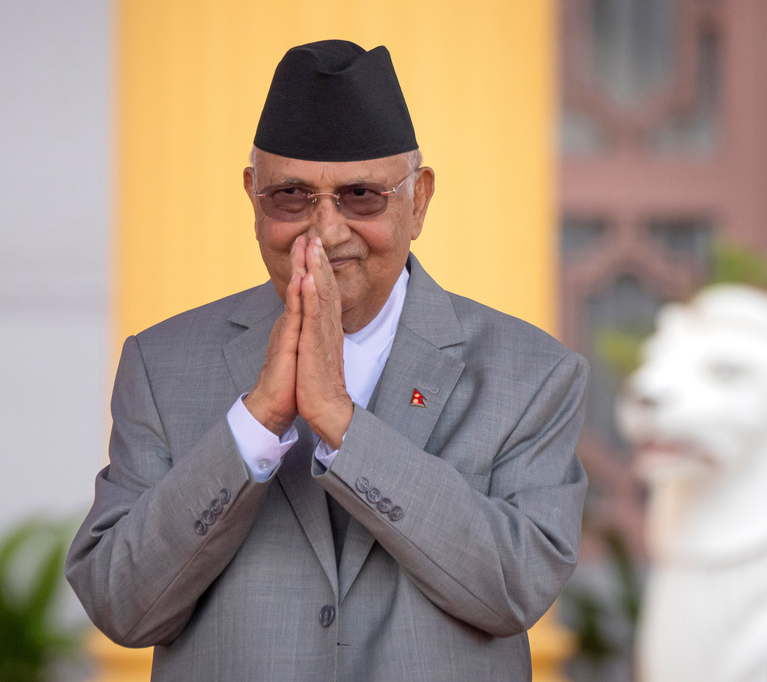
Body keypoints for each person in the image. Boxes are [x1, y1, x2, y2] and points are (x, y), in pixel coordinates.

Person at [66, 40, 588, 681]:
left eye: (362, 195)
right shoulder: (162, 363)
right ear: (253, 199)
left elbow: (514, 588)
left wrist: (341, 423)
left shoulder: (531, 372)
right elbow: (122, 606)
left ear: (418, 201)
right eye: (291, 196)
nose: (325, 231)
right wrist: (255, 426)